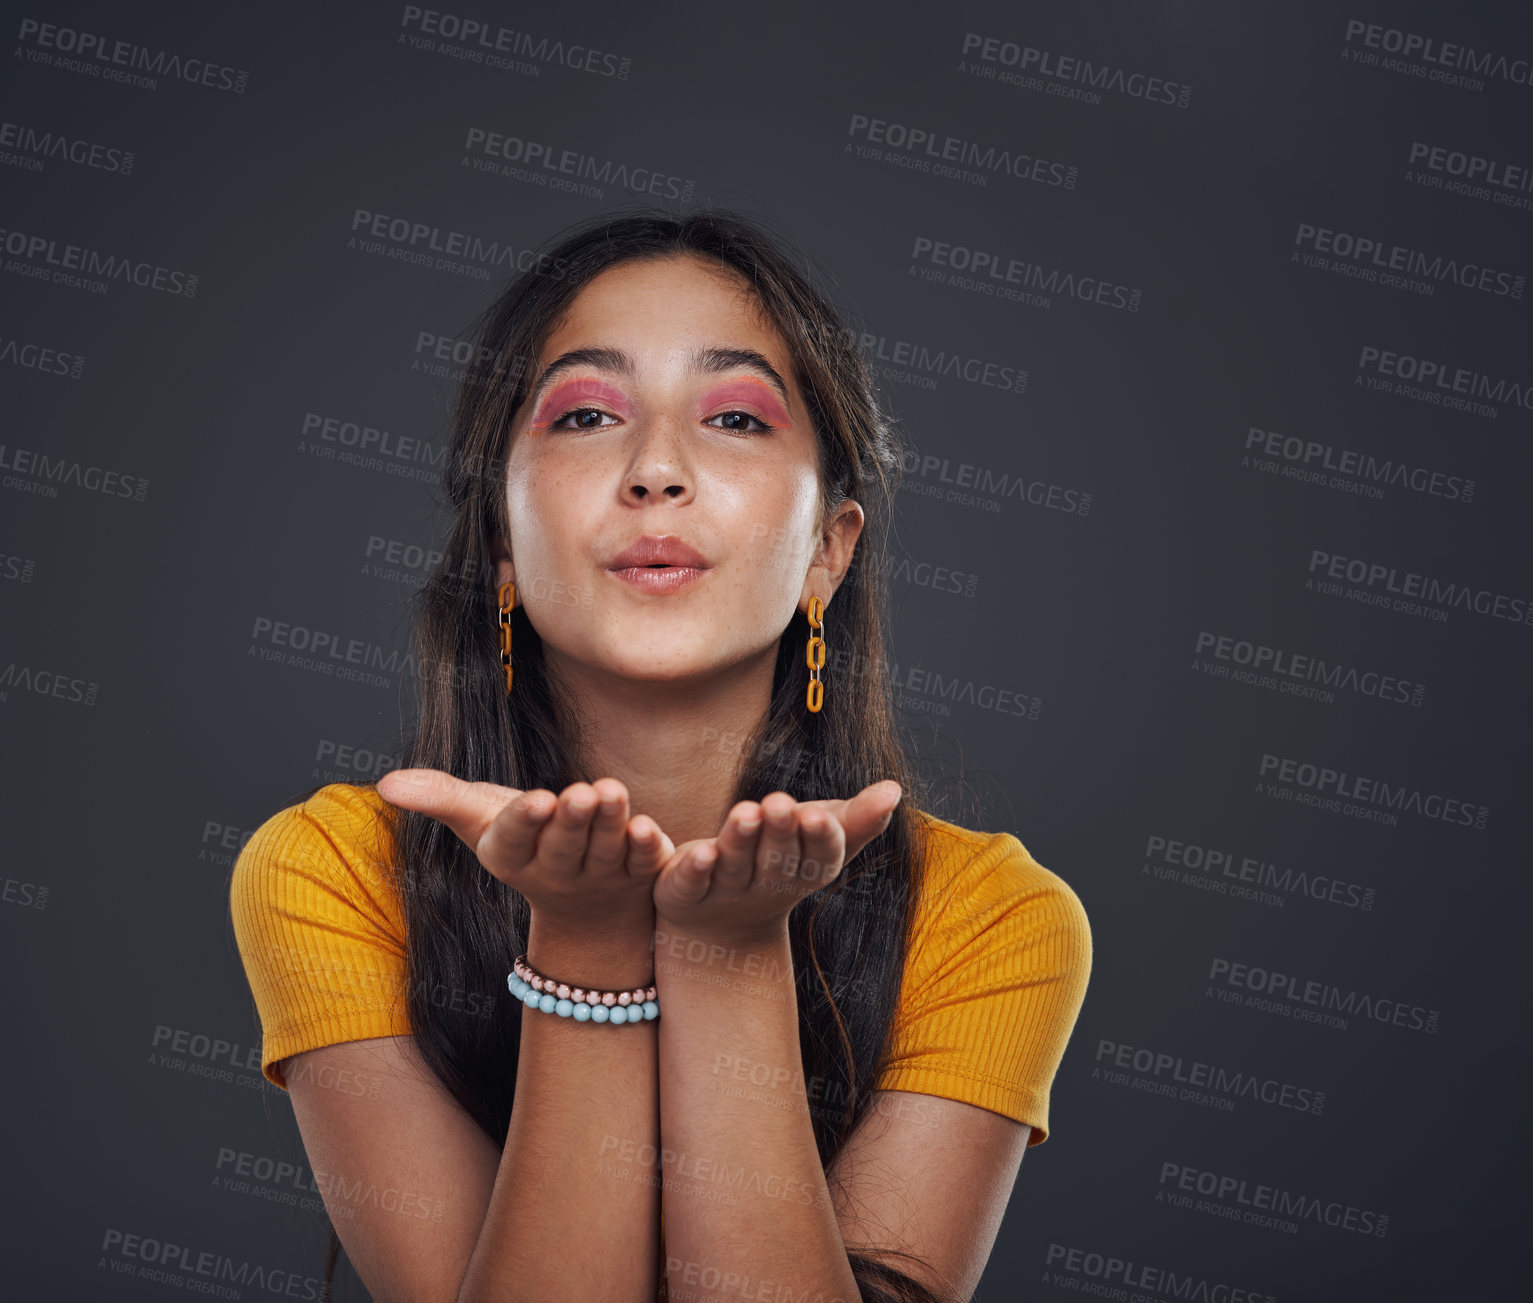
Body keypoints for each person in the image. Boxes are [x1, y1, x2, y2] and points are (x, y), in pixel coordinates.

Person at [229, 206, 1092, 1303]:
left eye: (734, 418)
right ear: (500, 541)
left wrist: (731, 954)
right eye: (587, 414)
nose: (656, 470)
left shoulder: (993, 918)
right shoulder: (331, 873)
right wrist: (582, 942)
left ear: (828, 550)